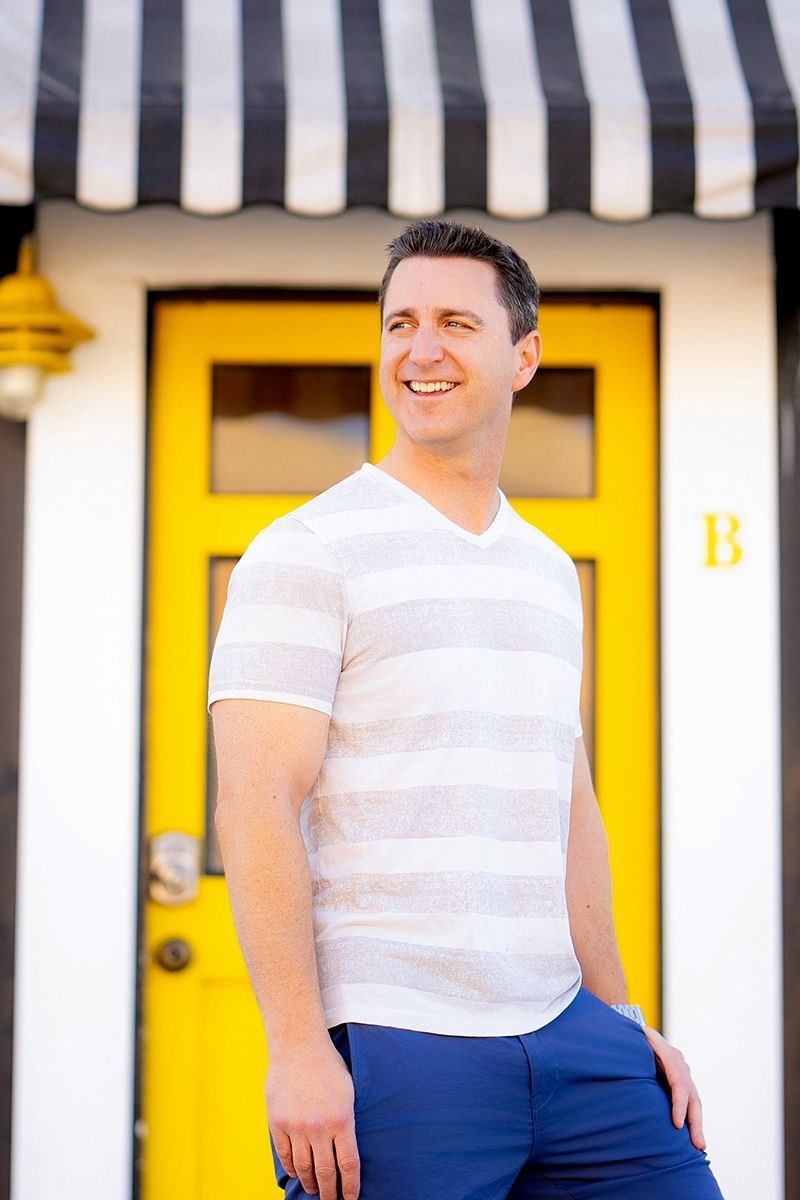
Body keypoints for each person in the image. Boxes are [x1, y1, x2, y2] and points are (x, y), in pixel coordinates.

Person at [207, 220, 724, 1200]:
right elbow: (254, 804)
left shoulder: (546, 570)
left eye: (454, 322)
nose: (421, 350)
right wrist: (298, 1049)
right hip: (401, 1041)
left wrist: (619, 1022)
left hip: (568, 1034)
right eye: (400, 323)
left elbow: (567, 807)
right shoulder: (307, 550)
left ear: (523, 356)